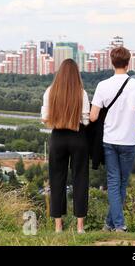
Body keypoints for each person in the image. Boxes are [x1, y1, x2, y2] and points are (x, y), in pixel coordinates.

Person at [90, 46, 135, 232]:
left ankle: (112, 224)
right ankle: (117, 224)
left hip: (109, 141)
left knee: (114, 183)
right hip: (129, 141)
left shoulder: (103, 86)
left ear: (112, 62)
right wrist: (132, 117)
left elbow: (93, 117)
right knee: (121, 183)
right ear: (128, 63)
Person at [41, 59, 90, 234]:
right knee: (80, 179)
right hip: (78, 137)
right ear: (76, 74)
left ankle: (58, 226)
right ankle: (80, 227)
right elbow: (85, 119)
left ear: (59, 73)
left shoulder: (50, 92)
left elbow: (45, 117)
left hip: (58, 137)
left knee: (57, 180)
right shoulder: (81, 93)